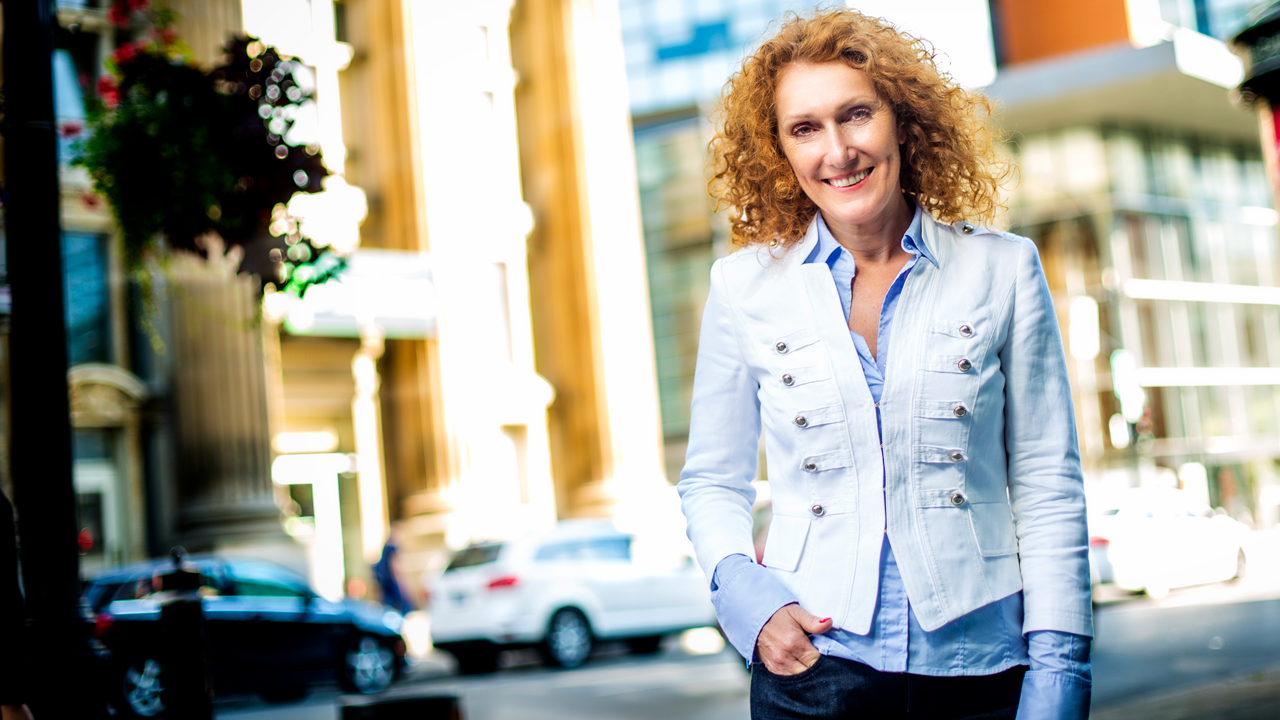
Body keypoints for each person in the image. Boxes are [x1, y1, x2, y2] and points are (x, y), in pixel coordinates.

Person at [678, 9, 1092, 719]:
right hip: (812, 668)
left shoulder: (1003, 269)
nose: (836, 151)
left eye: (855, 115)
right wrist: (746, 597)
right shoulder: (741, 288)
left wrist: (1059, 675)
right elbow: (711, 482)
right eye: (804, 128)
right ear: (780, 150)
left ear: (901, 119)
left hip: (979, 668)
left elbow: (1048, 484)